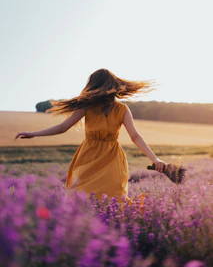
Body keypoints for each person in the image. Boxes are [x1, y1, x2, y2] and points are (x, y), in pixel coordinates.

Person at [15, 69, 168, 205]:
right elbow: (63, 127)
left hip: (112, 158)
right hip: (88, 157)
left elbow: (135, 136)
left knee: (114, 196)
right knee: (81, 195)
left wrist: (155, 159)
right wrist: (34, 134)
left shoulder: (122, 109)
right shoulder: (86, 106)